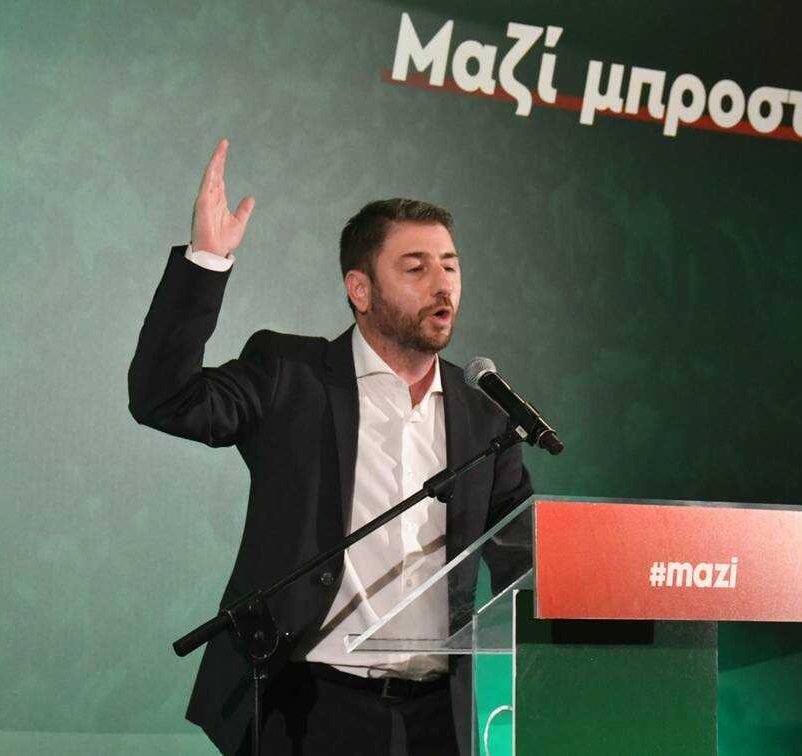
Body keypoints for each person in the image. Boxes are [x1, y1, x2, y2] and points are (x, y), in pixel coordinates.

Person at [128, 138, 533, 755]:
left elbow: (523, 564)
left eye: (450, 266)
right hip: (310, 712)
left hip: (439, 722)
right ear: (360, 289)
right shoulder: (290, 376)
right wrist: (206, 261)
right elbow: (165, 398)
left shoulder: (485, 416)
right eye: (415, 268)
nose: (442, 285)